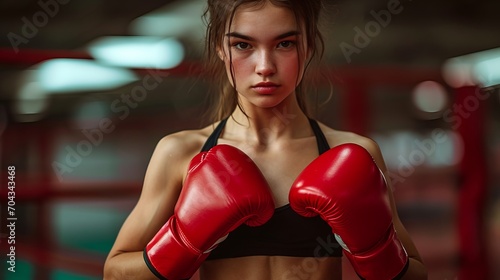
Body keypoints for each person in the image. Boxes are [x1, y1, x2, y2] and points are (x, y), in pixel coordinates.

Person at [103, 0, 428, 279]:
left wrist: (374, 248)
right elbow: (114, 271)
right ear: (220, 47)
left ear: (308, 46)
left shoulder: (351, 152)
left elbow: (415, 274)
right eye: (242, 45)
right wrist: (183, 241)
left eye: (284, 43)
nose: (265, 67)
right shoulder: (182, 153)